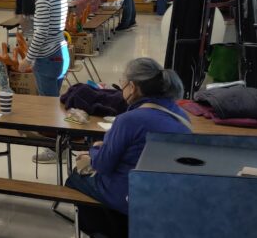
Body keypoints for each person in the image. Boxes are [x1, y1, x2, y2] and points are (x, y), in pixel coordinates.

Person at [66, 58, 191, 221]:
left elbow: (103, 165)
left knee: (75, 177)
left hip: (131, 195)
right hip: (166, 195)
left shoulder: (129, 120)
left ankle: (102, 228)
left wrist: (95, 149)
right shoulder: (181, 116)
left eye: (122, 82)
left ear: (132, 87)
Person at [18, 0, 69, 164]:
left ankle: (54, 149)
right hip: (61, 52)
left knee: (47, 106)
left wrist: (27, 59)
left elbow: (40, 33)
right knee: (55, 102)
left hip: (48, 57)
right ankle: (62, 144)